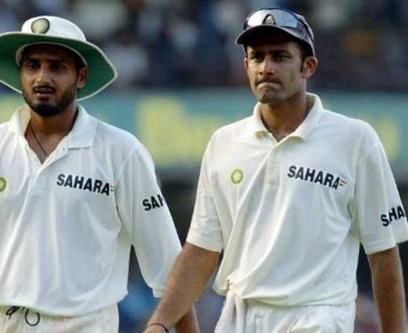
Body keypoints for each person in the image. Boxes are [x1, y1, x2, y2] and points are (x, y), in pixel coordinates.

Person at [0, 16, 197, 333]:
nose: (42, 77)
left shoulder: (121, 152)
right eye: (32, 65)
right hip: (10, 325)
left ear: (81, 76)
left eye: (57, 67)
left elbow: (168, 267)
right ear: (20, 73)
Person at [144, 7, 408, 333]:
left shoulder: (355, 139)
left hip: (316, 317)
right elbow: (200, 251)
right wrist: (159, 322)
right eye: (257, 57)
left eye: (280, 56)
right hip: (238, 318)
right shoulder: (224, 142)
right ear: (246, 66)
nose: (266, 67)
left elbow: (383, 254)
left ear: (308, 66)